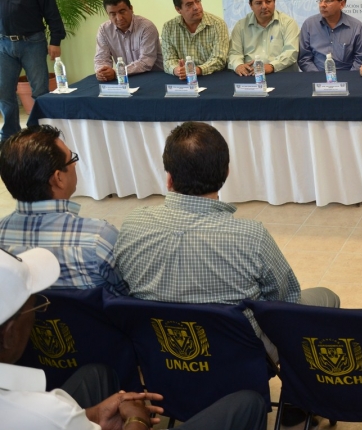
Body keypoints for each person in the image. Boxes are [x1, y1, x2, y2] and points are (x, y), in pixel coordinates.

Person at [114, 122, 339, 353]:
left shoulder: (132, 224)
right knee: (327, 298)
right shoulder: (252, 236)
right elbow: (283, 302)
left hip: (163, 349)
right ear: (226, 173)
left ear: (169, 178)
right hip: (239, 352)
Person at [0, 246, 267, 429]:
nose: (38, 313)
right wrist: (136, 422)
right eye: (36, 306)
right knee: (246, 404)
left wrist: (91, 416)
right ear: (9, 333)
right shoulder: (46, 414)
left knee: (97, 373)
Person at [0, 125, 128, 295]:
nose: (75, 164)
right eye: (71, 159)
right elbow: (127, 291)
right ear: (58, 178)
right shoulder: (98, 238)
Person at [0, 0, 65, 142]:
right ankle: (9, 135)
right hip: (3, 45)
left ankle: (37, 133)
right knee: (3, 92)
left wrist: (55, 40)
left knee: (39, 91)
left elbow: (52, 13)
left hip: (32, 44)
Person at [228, 0, 299, 75]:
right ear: (251, 5)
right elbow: (234, 53)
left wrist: (271, 66)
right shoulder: (241, 26)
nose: (264, 6)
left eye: (268, 2)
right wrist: (238, 65)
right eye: (259, 3)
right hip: (251, 76)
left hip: (282, 74)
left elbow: (291, 52)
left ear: (274, 1)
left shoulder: (288, 23)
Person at [160, 0, 229, 79]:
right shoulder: (169, 28)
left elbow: (219, 59)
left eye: (197, 1)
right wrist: (177, 70)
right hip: (183, 79)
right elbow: (168, 60)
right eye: (189, 5)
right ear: (178, 9)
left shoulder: (217, 24)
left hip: (212, 77)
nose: (196, 7)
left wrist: (197, 70)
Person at [94, 0, 164, 81]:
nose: (119, 18)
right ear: (108, 14)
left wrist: (118, 72)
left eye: (122, 11)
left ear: (131, 8)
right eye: (113, 14)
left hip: (154, 77)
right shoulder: (104, 30)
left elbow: (146, 62)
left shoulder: (146, 27)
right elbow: (101, 58)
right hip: (125, 79)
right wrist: (102, 71)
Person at [298, 0, 362, 71]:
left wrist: (349, 78)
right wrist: (318, 77)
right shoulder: (309, 24)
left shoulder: (356, 27)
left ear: (341, 4)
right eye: (320, 0)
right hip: (316, 77)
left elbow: (360, 59)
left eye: (328, 0)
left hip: (348, 78)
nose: (322, 5)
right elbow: (304, 59)